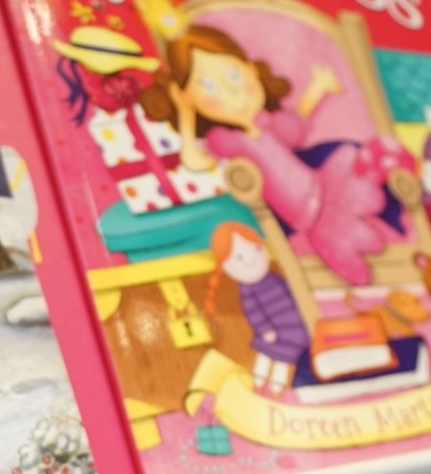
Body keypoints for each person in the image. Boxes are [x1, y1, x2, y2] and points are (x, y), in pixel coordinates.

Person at [139, 22, 391, 285]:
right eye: (210, 87)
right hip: (304, 218)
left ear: (250, 69)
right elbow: (194, 160)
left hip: (324, 187)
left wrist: (317, 87)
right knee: (355, 243)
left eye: (234, 75)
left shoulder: (267, 121)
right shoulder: (227, 140)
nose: (234, 92)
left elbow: (296, 126)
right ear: (189, 99)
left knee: (349, 161)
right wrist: (185, 113)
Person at [205, 221, 309, 396]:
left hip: (292, 327)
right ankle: (258, 384)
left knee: (283, 361)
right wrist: (264, 329)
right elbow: (253, 311)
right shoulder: (247, 289)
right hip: (271, 331)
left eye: (255, 250)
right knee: (265, 357)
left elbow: (291, 293)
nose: (250, 259)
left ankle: (277, 390)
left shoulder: (273, 278)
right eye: (239, 258)